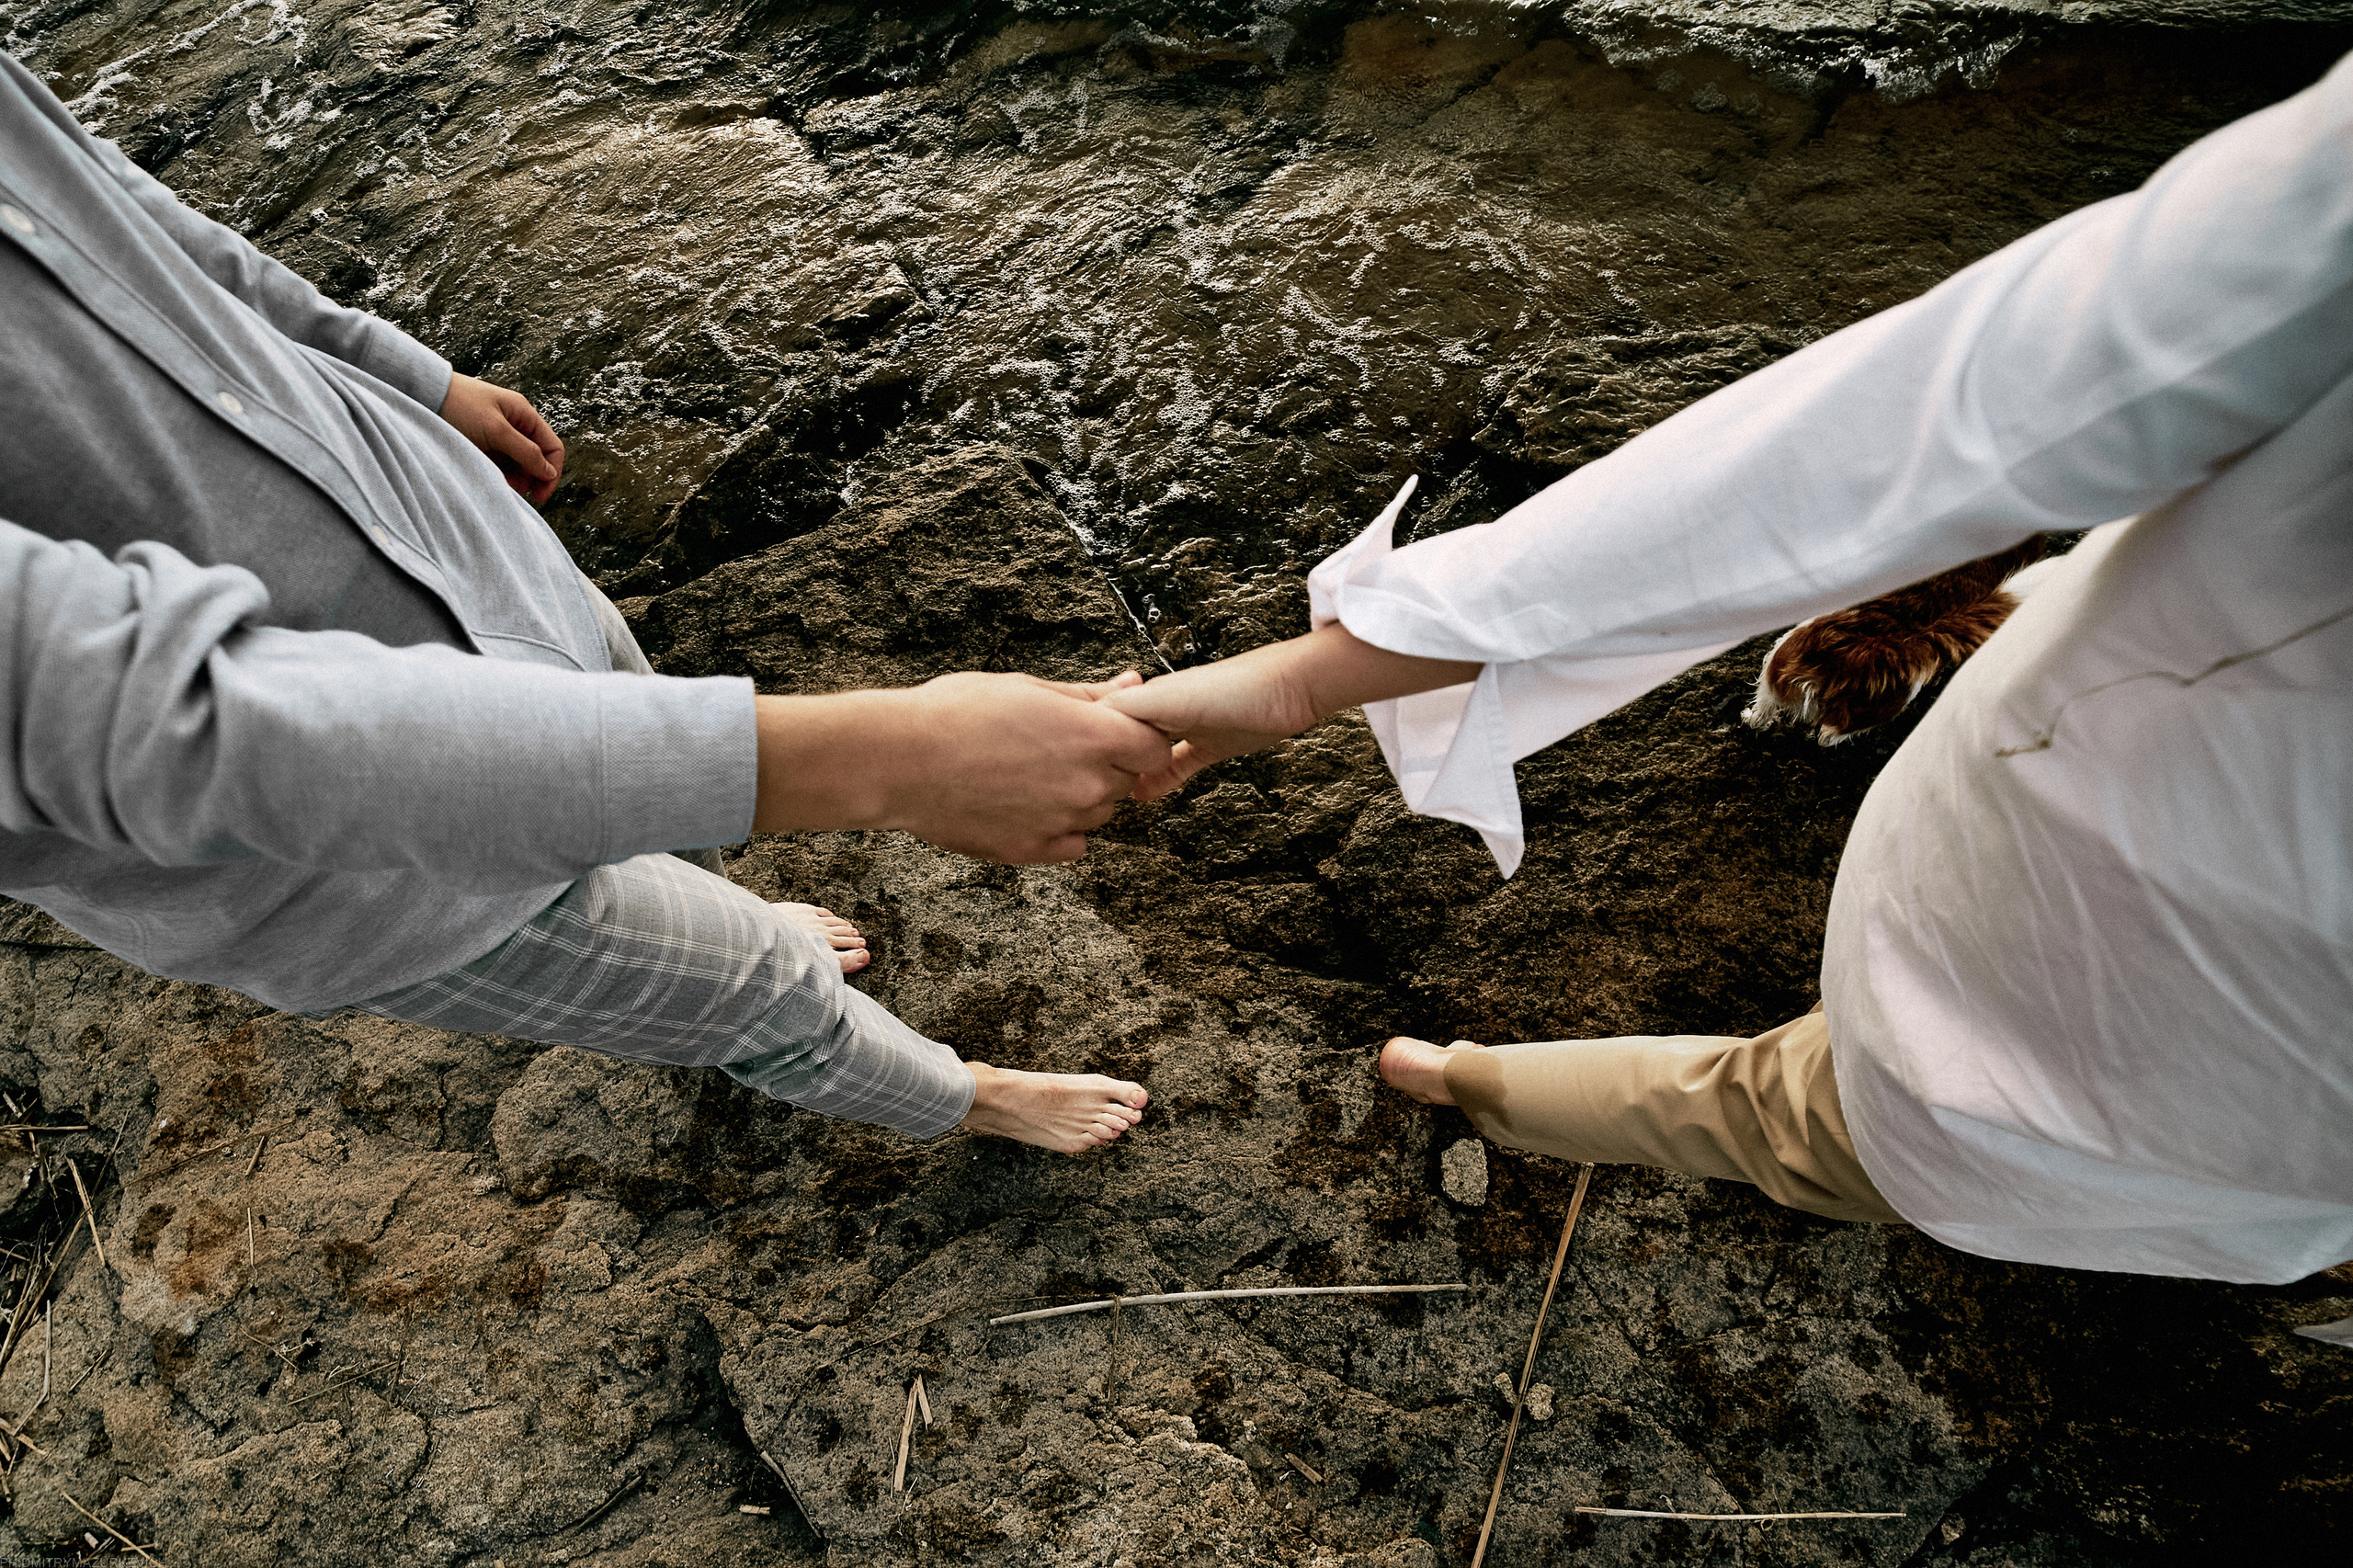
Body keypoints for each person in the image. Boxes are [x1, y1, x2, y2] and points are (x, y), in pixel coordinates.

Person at [1108, 55, 2353, 1282]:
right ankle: (1469, 1077)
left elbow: (1991, 405)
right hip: (2201, 1169)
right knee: (1755, 1111)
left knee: (1758, 1102)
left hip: (2007, 940)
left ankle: (1454, 1075)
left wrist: (1327, 672)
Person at [0, 51, 1154, 1155]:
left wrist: (404, 373)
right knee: (753, 988)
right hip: (331, 867)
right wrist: (898, 760)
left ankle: (712, 887)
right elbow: (173, 723)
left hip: (463, 560)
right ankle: (965, 1098)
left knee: (648, 741)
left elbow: (122, 213)